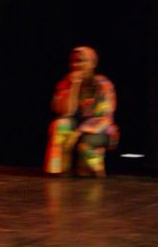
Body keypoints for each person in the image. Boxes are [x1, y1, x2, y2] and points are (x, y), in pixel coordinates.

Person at [44, 46, 118, 177]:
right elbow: (65, 112)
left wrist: (77, 133)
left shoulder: (102, 84)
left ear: (93, 63)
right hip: (77, 125)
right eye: (73, 61)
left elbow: (104, 117)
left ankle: (95, 168)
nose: (75, 65)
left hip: (99, 129)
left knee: (86, 153)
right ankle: (59, 169)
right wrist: (74, 86)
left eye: (81, 61)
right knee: (59, 125)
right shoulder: (66, 83)